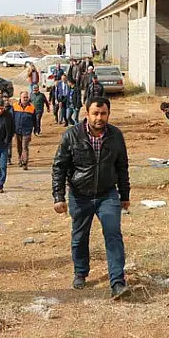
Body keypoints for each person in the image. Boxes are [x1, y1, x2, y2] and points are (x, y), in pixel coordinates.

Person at [51, 97, 131, 299]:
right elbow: (59, 167)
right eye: (95, 113)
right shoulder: (71, 135)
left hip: (107, 194)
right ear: (87, 114)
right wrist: (58, 196)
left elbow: (122, 166)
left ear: (108, 114)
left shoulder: (115, 136)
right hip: (80, 195)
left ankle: (117, 282)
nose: (99, 118)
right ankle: (80, 272)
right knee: (79, 237)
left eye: (103, 114)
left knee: (113, 234)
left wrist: (124, 195)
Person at [12, 91, 35, 170]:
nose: (25, 99)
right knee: (18, 147)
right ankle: (20, 159)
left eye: (26, 97)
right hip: (16, 131)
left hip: (27, 131)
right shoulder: (14, 106)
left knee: (25, 147)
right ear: (20, 98)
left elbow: (35, 120)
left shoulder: (32, 107)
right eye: (24, 97)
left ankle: (25, 163)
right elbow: (11, 118)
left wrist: (36, 128)